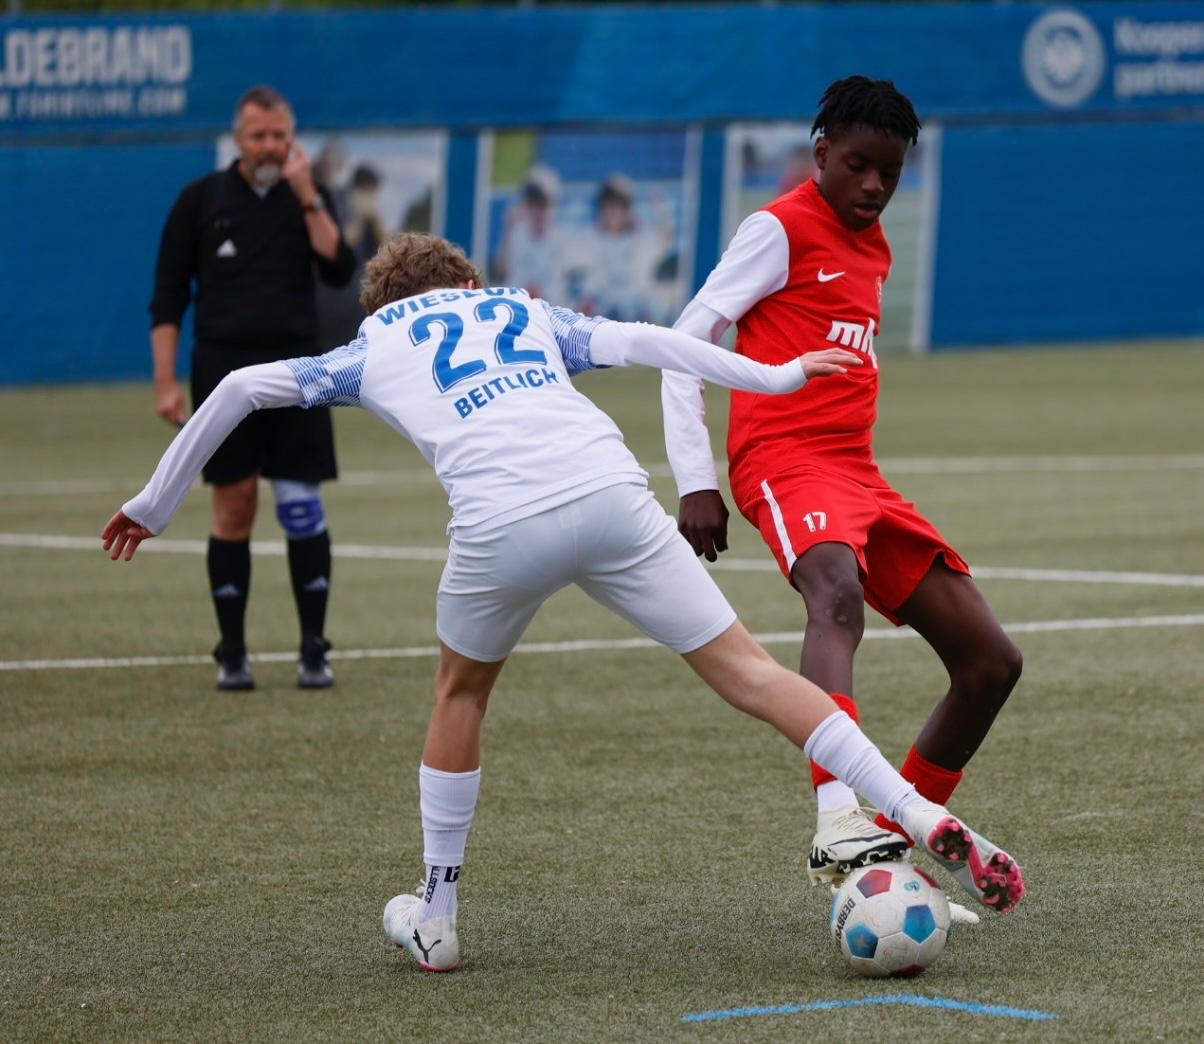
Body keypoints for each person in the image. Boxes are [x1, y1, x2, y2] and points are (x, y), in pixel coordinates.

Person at [104, 232, 1025, 973]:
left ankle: (438, 915)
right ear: (469, 282)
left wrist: (153, 503)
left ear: (381, 306)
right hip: (610, 493)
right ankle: (911, 811)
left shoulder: (371, 343)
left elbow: (240, 388)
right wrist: (779, 377)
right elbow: (648, 341)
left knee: (461, 694)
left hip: (500, 524)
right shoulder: (521, 308)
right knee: (749, 672)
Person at [661, 75, 1024, 906]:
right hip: (783, 459)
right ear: (821, 153)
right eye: (858, 165)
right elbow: (685, 342)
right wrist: (697, 480)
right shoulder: (778, 229)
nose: (873, 186)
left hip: (859, 471)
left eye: (890, 172)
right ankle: (839, 817)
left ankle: (893, 843)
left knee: (990, 663)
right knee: (836, 599)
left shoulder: (878, 243)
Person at [149, 85, 357, 691]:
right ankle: (232, 653)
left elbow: (340, 269)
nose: (270, 146)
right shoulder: (200, 200)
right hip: (223, 374)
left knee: (300, 505)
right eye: (259, 136)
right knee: (234, 506)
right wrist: (165, 381)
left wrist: (307, 194)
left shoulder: (310, 196)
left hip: (299, 375)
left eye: (280, 135)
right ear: (238, 139)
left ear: (293, 138)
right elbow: (167, 296)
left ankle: (313, 649)